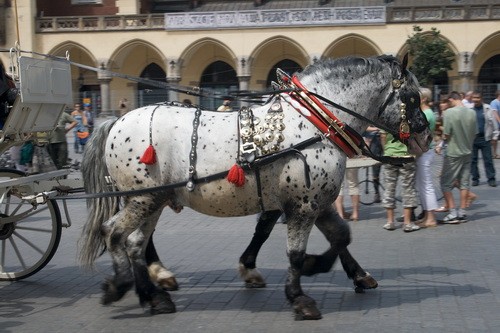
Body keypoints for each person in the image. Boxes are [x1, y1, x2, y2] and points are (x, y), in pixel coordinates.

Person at [440, 91, 477, 223]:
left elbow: (447, 134)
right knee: (464, 183)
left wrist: (441, 142)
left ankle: (452, 212)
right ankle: (462, 211)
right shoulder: (472, 112)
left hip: (453, 152)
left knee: (445, 182)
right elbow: (475, 133)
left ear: (451, 99)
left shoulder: (449, 113)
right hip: (468, 151)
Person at [380, 131, 420, 232]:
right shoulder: (410, 116)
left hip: (390, 155)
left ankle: (390, 222)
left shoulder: (387, 116)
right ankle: (407, 223)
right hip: (406, 155)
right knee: (408, 189)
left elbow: (383, 136)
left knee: (389, 188)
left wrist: (386, 151)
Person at [415, 88, 439, 228]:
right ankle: (427, 216)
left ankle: (431, 218)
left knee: (427, 186)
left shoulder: (426, 113)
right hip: (425, 151)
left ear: (423, 99)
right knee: (423, 185)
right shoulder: (427, 112)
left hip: (425, 152)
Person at [470, 91, 498, 187]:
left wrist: (495, 136)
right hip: (473, 139)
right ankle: (475, 178)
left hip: (485, 138)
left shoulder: (487, 108)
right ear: (472, 98)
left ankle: (491, 178)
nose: (475, 100)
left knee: (488, 159)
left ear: (481, 98)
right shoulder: (469, 109)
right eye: (474, 97)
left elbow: (493, 123)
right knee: (473, 160)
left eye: (477, 98)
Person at [489, 90, 500, 159]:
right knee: (494, 138)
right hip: (494, 123)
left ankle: (494, 153)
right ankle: (494, 153)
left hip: (498, 123)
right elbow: (494, 113)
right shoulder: (494, 102)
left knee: (495, 138)